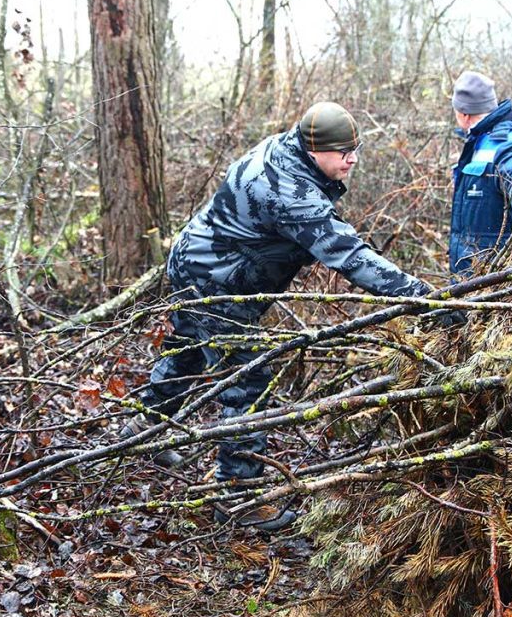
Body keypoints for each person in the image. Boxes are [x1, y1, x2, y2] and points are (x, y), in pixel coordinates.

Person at [129, 102, 432, 530]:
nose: (352, 159)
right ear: (313, 150)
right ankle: (239, 498)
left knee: (189, 354)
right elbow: (346, 253)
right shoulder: (288, 191)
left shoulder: (290, 150)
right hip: (215, 280)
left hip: (199, 261)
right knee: (248, 376)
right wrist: (421, 296)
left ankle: (141, 434)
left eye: (355, 149)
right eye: (343, 151)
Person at [449, 70, 512, 276]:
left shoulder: (507, 142)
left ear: (463, 113)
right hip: (473, 280)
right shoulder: (479, 141)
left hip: (498, 280)